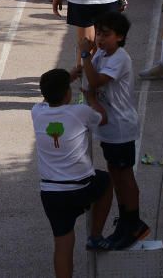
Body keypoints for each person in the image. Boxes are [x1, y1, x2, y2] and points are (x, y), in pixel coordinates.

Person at [33, 68, 113, 278]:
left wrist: (67, 78)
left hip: (50, 193)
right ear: (68, 92)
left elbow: (52, 91)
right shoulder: (80, 112)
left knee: (62, 245)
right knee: (105, 181)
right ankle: (95, 235)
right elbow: (102, 118)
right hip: (79, 188)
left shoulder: (37, 112)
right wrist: (90, 96)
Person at [79, 12, 150, 249]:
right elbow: (87, 82)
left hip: (120, 127)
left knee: (124, 176)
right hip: (109, 130)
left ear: (120, 37)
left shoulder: (119, 58)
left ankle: (134, 222)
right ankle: (125, 220)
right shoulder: (101, 54)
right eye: (98, 33)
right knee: (116, 175)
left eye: (106, 34)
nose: (99, 38)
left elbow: (96, 81)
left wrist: (84, 56)